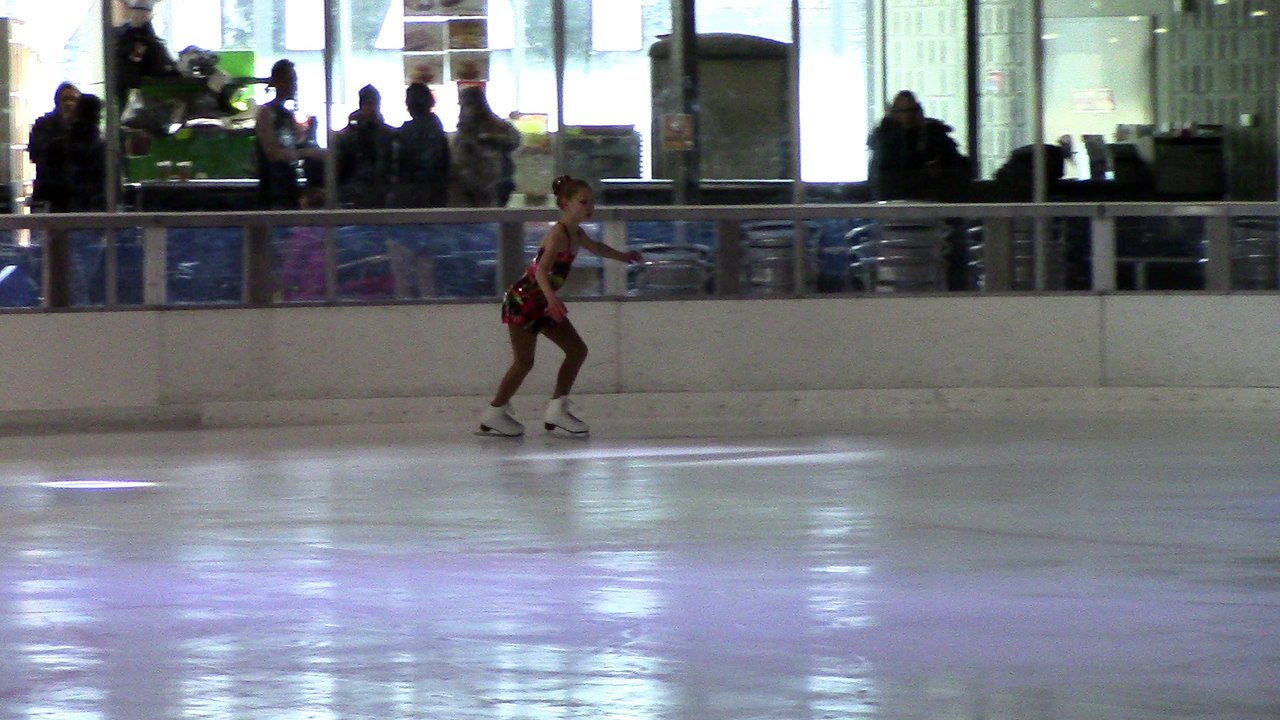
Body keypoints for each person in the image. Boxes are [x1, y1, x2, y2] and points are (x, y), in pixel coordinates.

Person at [478, 175, 643, 437]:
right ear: (565, 203)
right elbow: (540, 271)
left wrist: (623, 256)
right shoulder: (557, 233)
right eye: (583, 202)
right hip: (525, 301)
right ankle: (495, 412)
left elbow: (597, 247)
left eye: (591, 202)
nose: (589, 208)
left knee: (576, 351)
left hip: (541, 301)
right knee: (524, 362)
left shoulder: (575, 233)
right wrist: (552, 299)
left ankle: (556, 408)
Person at [867, 90, 970, 201]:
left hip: (932, 201)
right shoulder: (885, 138)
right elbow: (884, 176)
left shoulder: (933, 134)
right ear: (894, 113)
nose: (908, 116)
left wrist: (942, 169)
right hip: (894, 202)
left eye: (912, 111)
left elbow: (959, 166)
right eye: (903, 111)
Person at [255, 59, 324, 210]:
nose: (295, 86)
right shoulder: (266, 113)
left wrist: (309, 136)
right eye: (291, 81)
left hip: (288, 187)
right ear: (279, 82)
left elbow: (292, 145)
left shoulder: (286, 115)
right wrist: (307, 152)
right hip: (273, 190)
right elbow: (273, 154)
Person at [450, 86, 521, 207]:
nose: (464, 109)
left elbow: (515, 139)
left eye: (466, 104)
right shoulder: (466, 129)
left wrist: (492, 139)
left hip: (493, 186)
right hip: (475, 187)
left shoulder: (495, 126)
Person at [388, 82, 450, 208]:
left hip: (411, 193)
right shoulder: (437, 129)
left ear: (410, 105)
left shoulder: (405, 133)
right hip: (436, 193)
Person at [335, 84, 393, 208]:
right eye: (369, 104)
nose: (372, 108)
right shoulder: (351, 134)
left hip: (369, 190)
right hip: (361, 190)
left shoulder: (350, 134)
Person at [27, 82, 81, 212]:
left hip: (77, 196)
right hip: (48, 194)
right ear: (57, 102)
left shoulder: (84, 127)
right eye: (65, 99)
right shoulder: (43, 124)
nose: (69, 104)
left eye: (73, 99)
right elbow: (36, 154)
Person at [115, 0, 179, 95]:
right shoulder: (124, 35)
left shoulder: (149, 40)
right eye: (136, 12)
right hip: (130, 85)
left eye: (142, 13)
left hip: (138, 85)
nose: (138, 15)